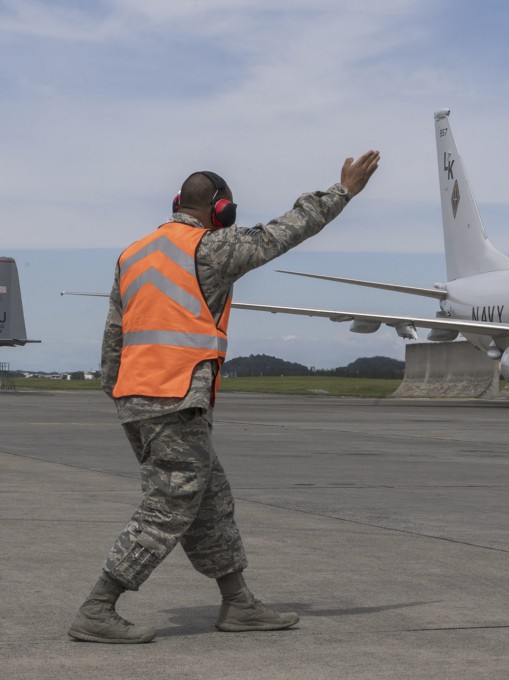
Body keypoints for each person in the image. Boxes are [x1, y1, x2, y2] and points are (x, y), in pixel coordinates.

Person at [68, 151, 381, 644]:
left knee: (210, 500)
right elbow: (287, 230)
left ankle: (238, 603)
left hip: (138, 397)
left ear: (177, 203)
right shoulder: (211, 249)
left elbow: (114, 336)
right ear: (221, 211)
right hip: (176, 397)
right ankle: (98, 606)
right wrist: (342, 192)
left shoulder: (134, 254)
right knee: (169, 505)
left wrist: (122, 396)